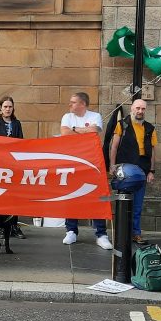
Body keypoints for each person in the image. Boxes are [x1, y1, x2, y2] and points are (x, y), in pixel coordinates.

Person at [60, 92, 112, 249]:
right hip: (72, 161)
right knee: (72, 195)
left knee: (97, 196)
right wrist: (83, 130)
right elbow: (65, 133)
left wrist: (75, 129)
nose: (70, 105)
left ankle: (101, 234)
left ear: (82, 104)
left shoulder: (95, 115)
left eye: (73, 102)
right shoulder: (67, 117)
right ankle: (71, 231)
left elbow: (94, 131)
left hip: (91, 162)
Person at [109, 98, 156, 245]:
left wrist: (151, 170)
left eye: (143, 109)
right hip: (124, 168)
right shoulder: (122, 124)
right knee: (122, 202)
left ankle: (136, 233)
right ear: (132, 108)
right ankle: (121, 233)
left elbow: (153, 151)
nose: (140, 111)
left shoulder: (150, 128)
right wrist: (112, 165)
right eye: (137, 108)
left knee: (138, 204)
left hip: (142, 168)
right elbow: (114, 146)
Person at [0, 96, 25, 239]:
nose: (8, 109)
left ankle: (14, 225)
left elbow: (21, 142)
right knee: (1, 196)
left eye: (10, 107)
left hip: (13, 164)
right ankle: (1, 226)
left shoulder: (17, 123)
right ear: (1, 108)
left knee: (14, 196)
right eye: (5, 107)